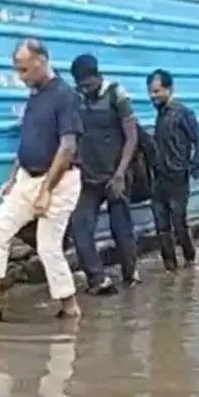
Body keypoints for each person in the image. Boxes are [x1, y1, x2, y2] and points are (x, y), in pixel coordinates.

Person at [0, 38, 83, 325]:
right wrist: (12, 178)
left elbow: (67, 147)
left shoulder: (65, 96)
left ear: (41, 61)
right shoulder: (36, 94)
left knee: (48, 247)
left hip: (59, 181)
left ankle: (70, 307)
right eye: (18, 70)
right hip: (27, 179)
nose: (21, 77)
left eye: (25, 70)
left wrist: (46, 191)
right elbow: (29, 142)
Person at [69, 53, 139, 295]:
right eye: (81, 86)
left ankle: (130, 276)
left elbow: (131, 137)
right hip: (89, 178)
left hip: (115, 175)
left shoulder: (116, 95)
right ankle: (98, 279)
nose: (86, 90)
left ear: (98, 77)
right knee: (80, 225)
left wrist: (120, 173)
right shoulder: (76, 99)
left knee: (121, 229)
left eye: (89, 85)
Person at [147, 69, 199, 270]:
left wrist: (195, 165)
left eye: (157, 91)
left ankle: (190, 258)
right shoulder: (160, 115)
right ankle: (170, 268)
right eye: (151, 92)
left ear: (169, 89)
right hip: (159, 179)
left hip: (177, 178)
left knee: (178, 223)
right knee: (161, 225)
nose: (152, 96)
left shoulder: (182, 113)